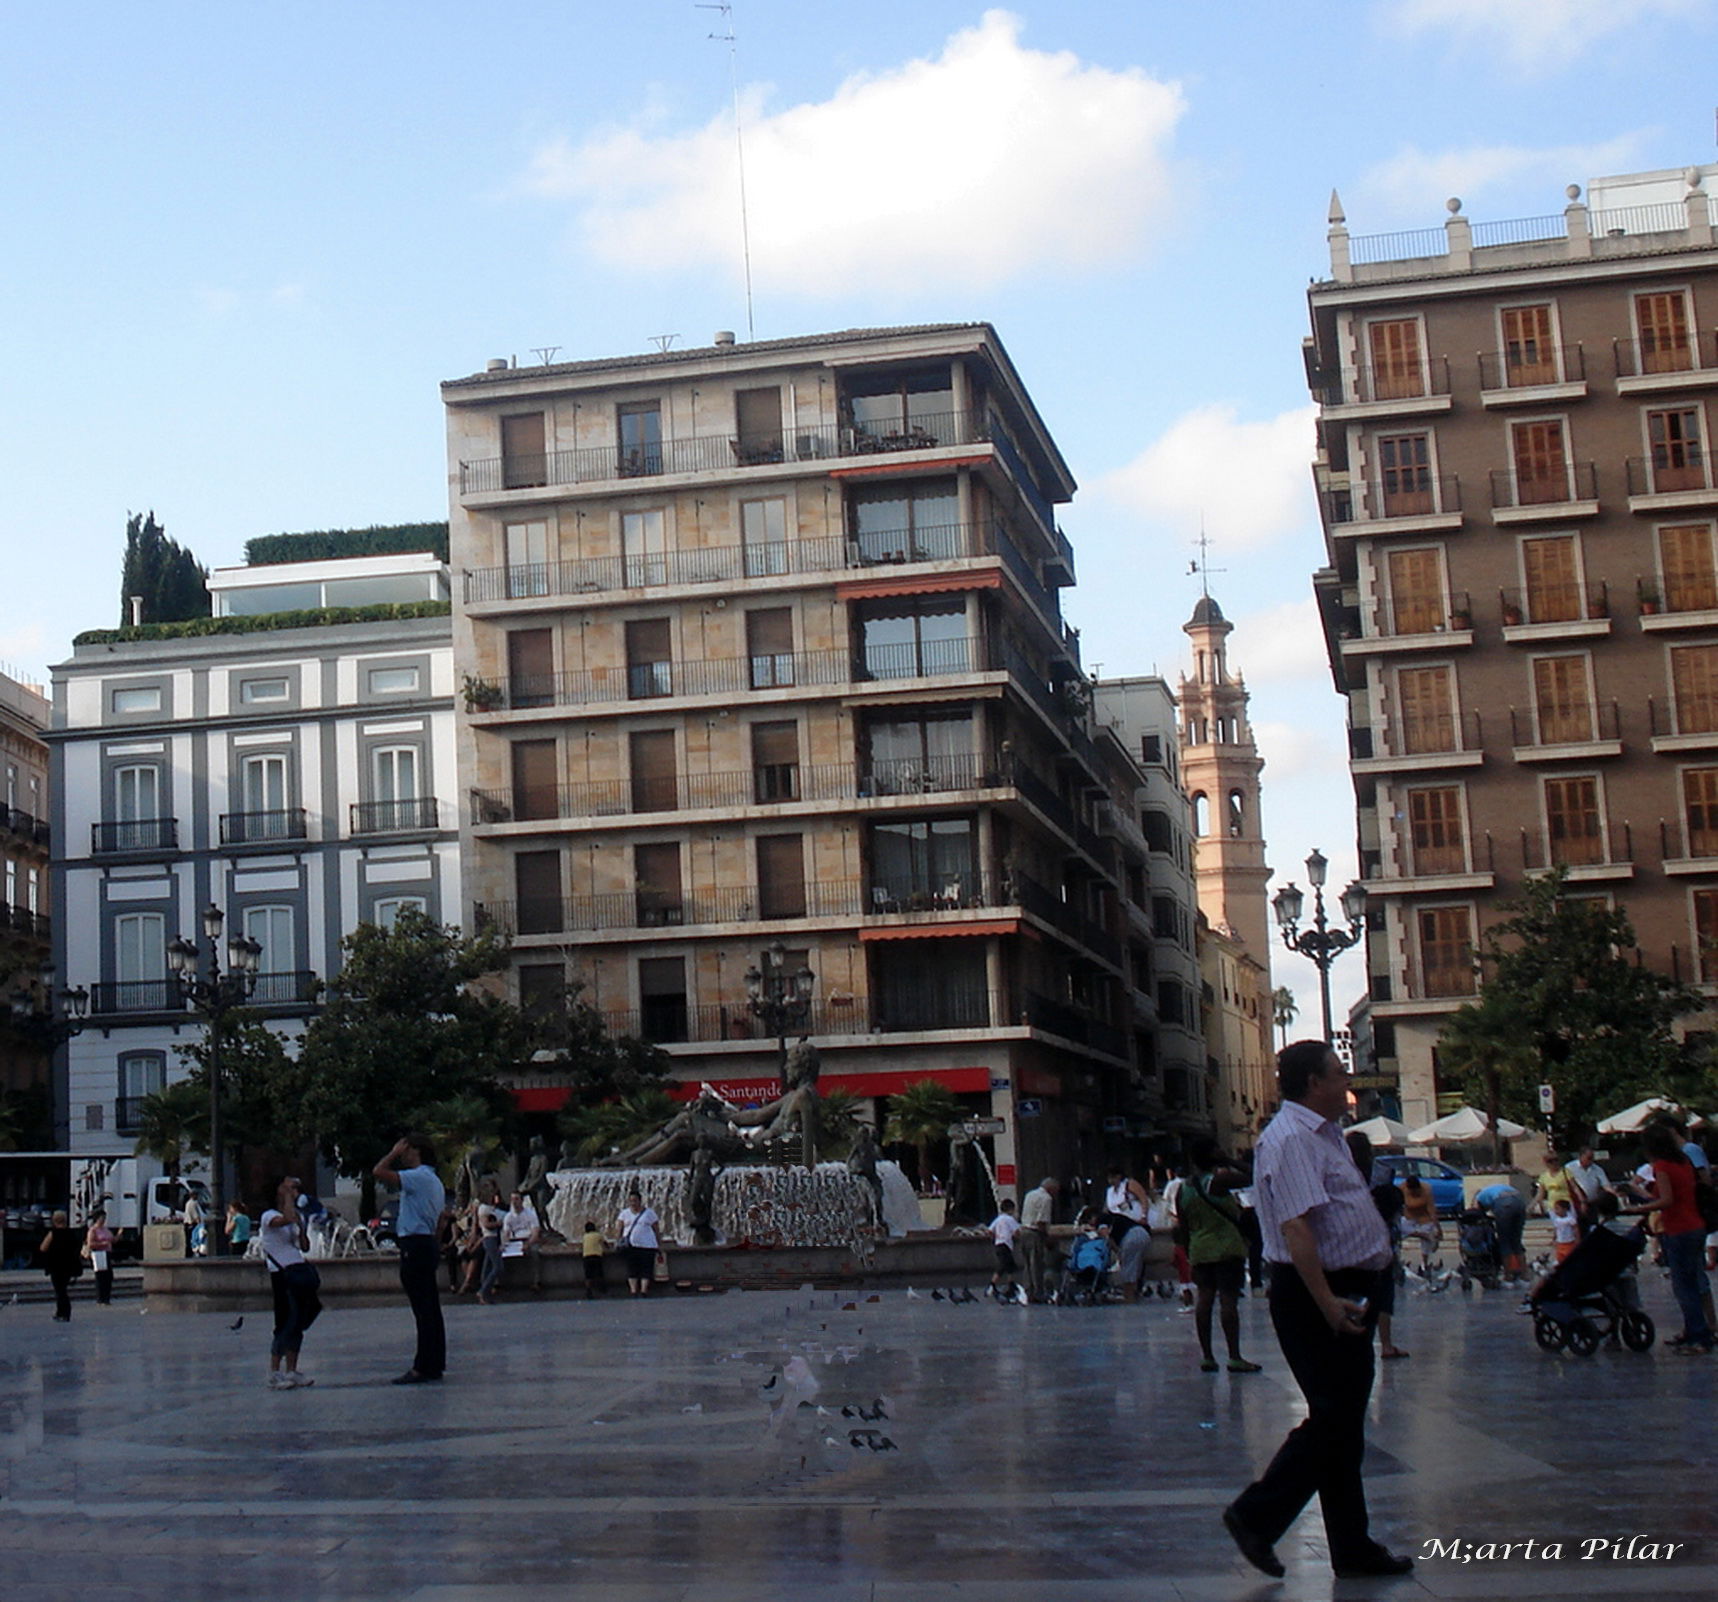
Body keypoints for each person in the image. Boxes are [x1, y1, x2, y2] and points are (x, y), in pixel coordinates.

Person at [1224, 1041, 1412, 1581]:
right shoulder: (1290, 1141)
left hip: (1346, 1286)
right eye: (1336, 1073)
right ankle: (1255, 1515)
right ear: (1312, 1083)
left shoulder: (1325, 1136)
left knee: (1345, 1423)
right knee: (1333, 1418)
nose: (1345, 1079)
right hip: (1316, 1293)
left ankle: (1351, 1547)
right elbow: (1296, 1229)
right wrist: (1327, 1303)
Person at [1624, 1121, 1712, 1353]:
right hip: (1696, 1225)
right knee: (1694, 1281)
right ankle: (1697, 1330)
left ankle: (1698, 1338)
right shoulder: (1683, 1161)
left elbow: (1667, 1200)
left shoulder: (1661, 1166)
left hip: (1678, 1228)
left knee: (1683, 1286)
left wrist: (1636, 1209)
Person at [1178, 1143, 1261, 1373]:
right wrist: (1230, 1161)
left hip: (1200, 1250)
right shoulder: (1218, 1181)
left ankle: (1207, 1356)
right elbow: (1255, 1174)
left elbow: (1183, 1226)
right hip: (1226, 1248)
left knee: (1204, 1300)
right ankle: (1234, 1356)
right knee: (1227, 1300)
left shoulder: (1183, 1189)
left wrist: (1190, 1254)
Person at [374, 1133, 447, 1384]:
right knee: (430, 1308)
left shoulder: (417, 1177)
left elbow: (379, 1171)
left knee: (422, 1309)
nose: (402, 1155)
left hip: (414, 1243)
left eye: (405, 1150)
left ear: (415, 1150)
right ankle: (434, 1362)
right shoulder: (433, 1179)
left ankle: (422, 1366)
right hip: (425, 1242)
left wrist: (392, 1154)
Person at [259, 1177, 321, 1389]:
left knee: (297, 1323)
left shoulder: (294, 1217)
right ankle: (274, 1371)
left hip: (298, 1271)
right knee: (284, 1322)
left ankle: (292, 1370)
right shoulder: (269, 1216)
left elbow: (303, 1246)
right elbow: (283, 1219)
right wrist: (287, 1199)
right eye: (287, 1187)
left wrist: (302, 1229)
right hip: (282, 1275)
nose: (293, 1190)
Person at [1475, 1180, 1528, 1284]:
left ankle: (1507, 1277)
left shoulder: (1480, 1197)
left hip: (1504, 1205)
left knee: (1504, 1243)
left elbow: (1479, 1212)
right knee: (1516, 1242)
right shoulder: (1496, 1188)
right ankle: (1524, 1275)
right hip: (1520, 1203)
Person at [38, 1211, 84, 1322]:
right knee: (62, 1289)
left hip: (56, 1266)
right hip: (68, 1266)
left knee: (60, 1290)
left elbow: (43, 1248)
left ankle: (63, 1312)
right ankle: (61, 1312)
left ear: (54, 1220)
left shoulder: (53, 1233)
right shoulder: (71, 1233)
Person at [1018, 1176, 1058, 1301]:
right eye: (1056, 1190)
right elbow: (1041, 1221)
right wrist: (1047, 1237)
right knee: (1036, 1264)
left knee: (1027, 1264)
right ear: (1050, 1189)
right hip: (1035, 1233)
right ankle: (1038, 1292)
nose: (1056, 1194)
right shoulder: (1046, 1198)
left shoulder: (1030, 1194)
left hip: (1024, 1231)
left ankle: (1028, 1291)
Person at [617, 1189, 660, 1297]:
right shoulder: (624, 1213)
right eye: (631, 1200)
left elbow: (656, 1228)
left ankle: (644, 1291)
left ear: (640, 1201)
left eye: (635, 1200)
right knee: (632, 1268)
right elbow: (619, 1228)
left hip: (648, 1245)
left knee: (646, 1268)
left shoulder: (649, 1213)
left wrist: (658, 1242)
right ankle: (633, 1291)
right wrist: (618, 1240)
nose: (633, 1203)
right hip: (631, 1246)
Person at [501, 1189, 542, 1293]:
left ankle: (536, 1282)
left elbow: (536, 1233)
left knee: (534, 1252)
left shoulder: (530, 1214)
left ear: (522, 1200)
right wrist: (503, 1244)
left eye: (516, 1199)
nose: (514, 1202)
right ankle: (500, 1282)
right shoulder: (508, 1216)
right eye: (512, 1199)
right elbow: (506, 1233)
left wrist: (528, 1243)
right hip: (514, 1241)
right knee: (500, 1253)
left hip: (529, 1239)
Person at [1398, 1176, 1441, 1269]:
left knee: (1427, 1234)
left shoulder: (1427, 1189)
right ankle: (1422, 1235)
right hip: (1409, 1216)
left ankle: (1424, 1263)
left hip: (1424, 1217)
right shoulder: (1402, 1187)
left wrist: (1438, 1228)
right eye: (1411, 1191)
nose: (1413, 1193)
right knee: (1398, 1229)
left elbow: (1432, 1210)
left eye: (1415, 1191)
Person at [475, 1180, 505, 1305]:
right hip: (490, 1238)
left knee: (487, 1267)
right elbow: (486, 1224)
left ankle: (484, 1292)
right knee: (498, 1267)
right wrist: (499, 1223)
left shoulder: (491, 1207)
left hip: (493, 1238)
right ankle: (483, 1291)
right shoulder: (484, 1209)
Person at [1563, 1147, 1610, 1224]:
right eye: (1589, 1158)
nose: (1591, 1160)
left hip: (1592, 1203)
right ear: (1581, 1156)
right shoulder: (1569, 1167)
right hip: (1576, 1204)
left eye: (1592, 1158)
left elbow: (1606, 1185)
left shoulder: (1597, 1169)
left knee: (1593, 1227)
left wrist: (1615, 1194)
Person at [988, 1198, 1022, 1301]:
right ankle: (992, 1285)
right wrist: (1017, 1237)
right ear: (1010, 1209)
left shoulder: (998, 1219)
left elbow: (989, 1230)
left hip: (998, 1244)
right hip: (1006, 1244)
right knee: (1003, 1265)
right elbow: (1016, 1232)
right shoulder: (1010, 1219)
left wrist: (994, 1237)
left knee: (1010, 1265)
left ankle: (1010, 1283)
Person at [84, 1208, 116, 1306]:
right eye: (102, 1218)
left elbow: (112, 1239)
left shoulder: (105, 1229)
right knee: (100, 1277)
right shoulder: (93, 1230)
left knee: (109, 1276)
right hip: (98, 1254)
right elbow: (90, 1244)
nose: (103, 1220)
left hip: (107, 1253)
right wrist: (103, 1243)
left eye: (104, 1218)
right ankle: (100, 1298)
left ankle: (106, 1298)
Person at [581, 1218, 608, 1298]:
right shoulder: (598, 1235)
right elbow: (605, 1244)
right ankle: (602, 1288)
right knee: (599, 1273)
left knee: (588, 1275)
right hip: (596, 1256)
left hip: (586, 1256)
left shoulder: (585, 1236)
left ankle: (588, 1290)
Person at [1550, 1197, 1580, 1263]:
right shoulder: (1557, 1219)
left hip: (1569, 1242)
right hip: (1560, 1242)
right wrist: (1554, 1239)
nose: (1556, 1211)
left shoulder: (1570, 1219)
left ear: (1565, 1209)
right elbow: (1556, 1229)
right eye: (1555, 1209)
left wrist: (1577, 1239)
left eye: (1557, 1209)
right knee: (1560, 1258)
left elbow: (1575, 1229)